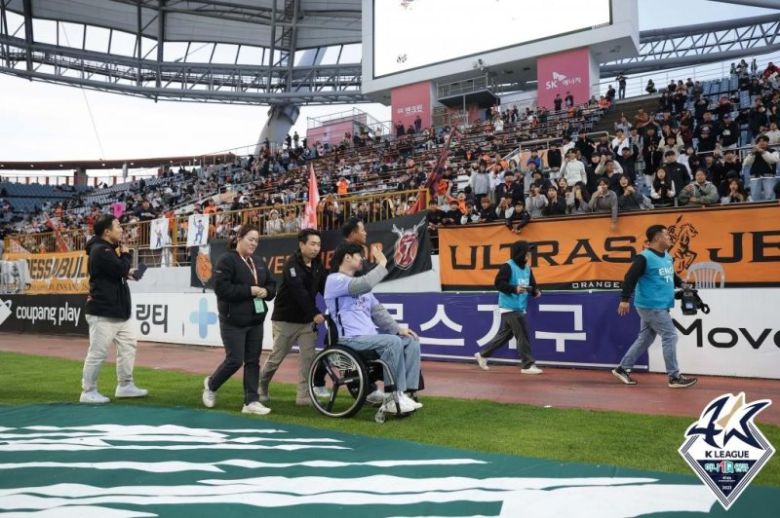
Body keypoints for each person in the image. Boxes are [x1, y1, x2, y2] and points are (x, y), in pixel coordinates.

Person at [324, 242, 423, 414]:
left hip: (369, 339)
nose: (362, 259)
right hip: (351, 340)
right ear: (347, 257)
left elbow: (378, 312)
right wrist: (382, 264)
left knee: (410, 341)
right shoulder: (335, 280)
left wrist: (398, 329)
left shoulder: (360, 285)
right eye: (358, 256)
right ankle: (392, 397)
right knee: (392, 342)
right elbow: (365, 284)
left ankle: (406, 393)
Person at [203, 224, 277, 415]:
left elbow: (272, 285)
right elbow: (221, 289)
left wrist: (266, 291)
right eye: (251, 239)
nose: (254, 243)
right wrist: (249, 290)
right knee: (235, 360)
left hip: (255, 321)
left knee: (253, 361)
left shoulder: (258, 262)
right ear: (239, 238)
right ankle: (211, 385)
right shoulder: (226, 260)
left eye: (257, 241)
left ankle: (251, 401)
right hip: (232, 321)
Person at [612, 225, 698, 389]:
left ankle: (622, 368)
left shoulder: (666, 256)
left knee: (645, 338)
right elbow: (629, 277)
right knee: (670, 336)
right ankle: (674, 377)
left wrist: (682, 285)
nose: (670, 237)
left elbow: (671, 274)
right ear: (657, 237)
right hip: (651, 306)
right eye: (666, 234)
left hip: (660, 305)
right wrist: (624, 299)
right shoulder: (643, 258)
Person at [80, 214, 148, 404]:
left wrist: (128, 271)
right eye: (118, 226)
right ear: (107, 231)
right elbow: (120, 268)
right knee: (98, 353)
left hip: (118, 312)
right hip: (103, 312)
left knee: (128, 346)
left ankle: (125, 385)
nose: (121, 229)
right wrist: (126, 254)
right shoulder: (100, 250)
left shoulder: (106, 249)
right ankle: (88, 391)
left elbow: (118, 271)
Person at [258, 229, 328, 406]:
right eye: (312, 244)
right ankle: (261, 385)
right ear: (302, 244)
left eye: (318, 245)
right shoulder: (291, 264)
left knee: (308, 359)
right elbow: (300, 293)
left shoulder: (318, 265)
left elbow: (326, 288)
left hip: (306, 322)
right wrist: (315, 313)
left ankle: (303, 396)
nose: (316, 248)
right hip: (285, 320)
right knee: (276, 358)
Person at [474, 241, 542, 374]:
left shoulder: (527, 268)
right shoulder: (507, 266)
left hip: (520, 307)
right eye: (527, 251)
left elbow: (532, 285)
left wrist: (536, 292)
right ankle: (528, 365)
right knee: (523, 332)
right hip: (509, 307)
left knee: (505, 335)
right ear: (520, 252)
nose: (529, 254)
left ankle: (483, 355)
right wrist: (514, 289)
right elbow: (498, 284)